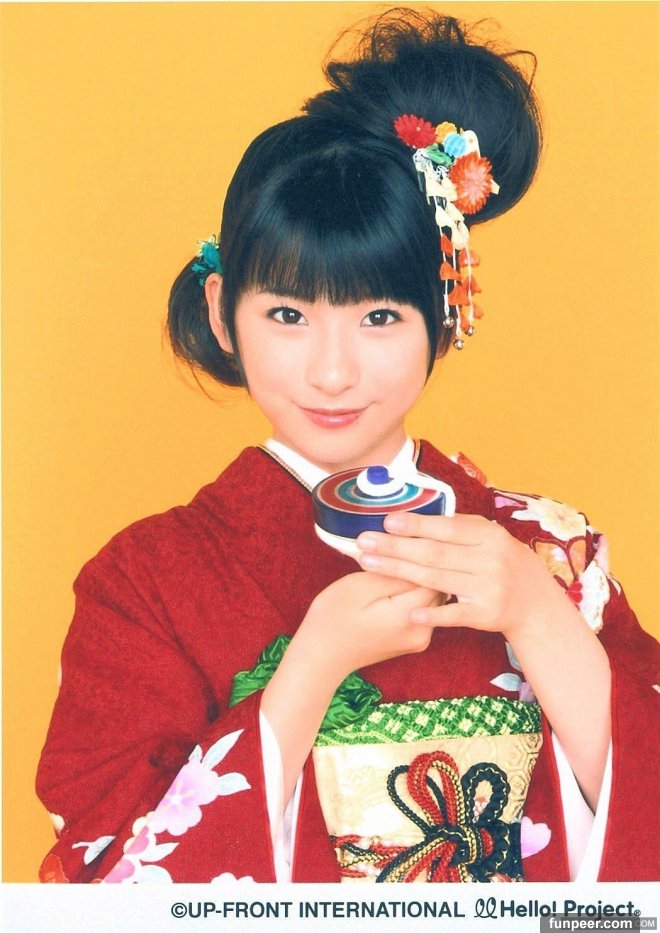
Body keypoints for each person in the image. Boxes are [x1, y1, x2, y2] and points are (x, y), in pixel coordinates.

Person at [37, 10, 658, 885]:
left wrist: (538, 616)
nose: (333, 371)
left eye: (380, 316)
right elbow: (105, 878)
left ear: (446, 313)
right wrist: (309, 669)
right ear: (223, 312)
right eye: (288, 314)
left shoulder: (551, 551)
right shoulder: (142, 583)